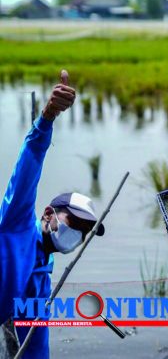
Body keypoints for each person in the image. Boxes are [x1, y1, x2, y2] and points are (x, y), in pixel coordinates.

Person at [0, 70, 106, 358]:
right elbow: (27, 169)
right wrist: (47, 118)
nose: (78, 236)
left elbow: (35, 345)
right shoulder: (17, 223)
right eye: (75, 223)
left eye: (84, 233)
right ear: (48, 214)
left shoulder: (42, 276)